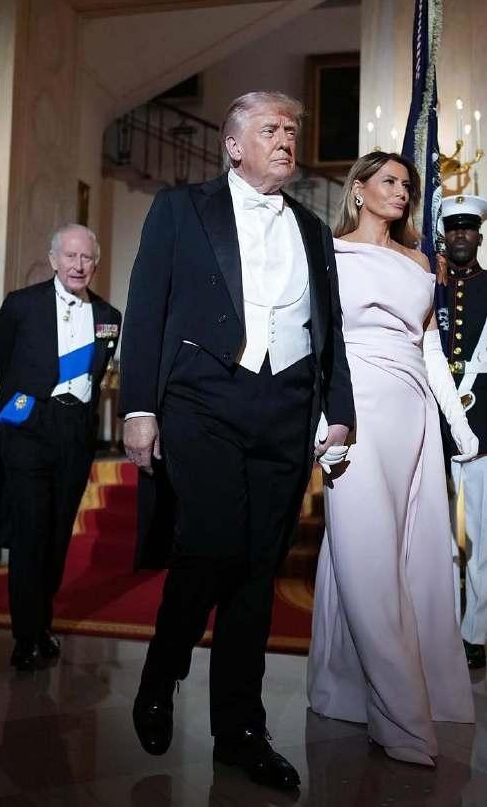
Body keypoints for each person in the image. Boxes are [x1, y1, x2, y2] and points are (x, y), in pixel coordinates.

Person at [120, 91, 354, 792]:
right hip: (203, 398)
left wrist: (336, 411)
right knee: (213, 542)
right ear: (232, 144)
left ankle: (240, 732)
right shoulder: (180, 209)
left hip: (287, 405)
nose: (286, 139)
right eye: (271, 129)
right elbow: (146, 307)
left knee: (257, 570)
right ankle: (163, 670)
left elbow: (330, 331)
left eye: (292, 129)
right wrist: (138, 408)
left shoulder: (312, 227)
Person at [307, 152, 477, 768]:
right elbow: (318, 340)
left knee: (411, 549)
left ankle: (348, 684)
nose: (402, 192)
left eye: (407, 184)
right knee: (364, 547)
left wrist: (457, 425)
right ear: (358, 190)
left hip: (413, 413)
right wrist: (323, 421)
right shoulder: (328, 253)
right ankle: (399, 716)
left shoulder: (420, 261)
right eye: (389, 181)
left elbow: (429, 350)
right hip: (354, 408)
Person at [0, 223, 121, 671]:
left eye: (86, 258)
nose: (78, 265)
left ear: (95, 264)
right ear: (53, 260)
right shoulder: (21, 305)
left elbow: (99, 372)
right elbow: (6, 361)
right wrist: (26, 406)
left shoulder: (109, 317)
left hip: (74, 431)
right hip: (29, 424)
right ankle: (26, 635)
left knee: (59, 532)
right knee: (30, 532)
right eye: (70, 256)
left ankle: (42, 622)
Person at [442, 193, 487, 670]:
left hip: (483, 423)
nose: (460, 234)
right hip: (431, 424)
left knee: (479, 536)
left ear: (478, 235)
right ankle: (438, 625)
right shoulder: (430, 287)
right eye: (453, 226)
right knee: (434, 536)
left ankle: (475, 632)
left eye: (467, 227)